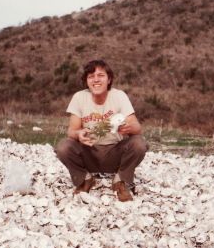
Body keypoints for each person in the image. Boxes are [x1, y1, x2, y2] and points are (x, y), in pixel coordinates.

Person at [55, 60, 149, 202]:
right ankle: (85, 179)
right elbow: (72, 131)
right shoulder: (79, 97)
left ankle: (120, 180)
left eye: (101, 75)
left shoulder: (119, 96)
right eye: (91, 76)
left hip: (114, 153)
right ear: (86, 81)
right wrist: (78, 134)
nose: (96, 80)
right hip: (89, 152)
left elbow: (137, 128)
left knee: (139, 143)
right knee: (63, 146)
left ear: (109, 79)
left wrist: (128, 128)